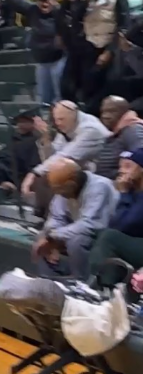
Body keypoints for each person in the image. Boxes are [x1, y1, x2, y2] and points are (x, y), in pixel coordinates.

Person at [33, 158, 119, 278]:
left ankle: (82, 283)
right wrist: (50, 237)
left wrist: (54, 236)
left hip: (102, 234)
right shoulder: (65, 189)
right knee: (41, 238)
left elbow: (90, 225)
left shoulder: (99, 187)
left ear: (71, 184)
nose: (58, 193)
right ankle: (50, 281)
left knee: (77, 241)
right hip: (77, 230)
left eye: (59, 189)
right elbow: (57, 217)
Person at [0, 0, 65, 105]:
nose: (44, 3)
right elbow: (16, 1)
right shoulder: (33, 11)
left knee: (60, 95)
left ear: (54, 2)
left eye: (47, 0)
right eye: (41, 0)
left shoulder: (61, 14)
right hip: (42, 61)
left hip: (59, 59)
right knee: (44, 98)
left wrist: (58, 10)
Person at [88, 148, 143, 287]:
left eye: (129, 166)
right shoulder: (133, 190)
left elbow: (125, 224)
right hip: (135, 241)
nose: (122, 171)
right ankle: (105, 287)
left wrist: (123, 193)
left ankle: (96, 285)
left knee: (109, 237)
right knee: (98, 235)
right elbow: (115, 223)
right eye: (121, 166)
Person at [96, 95, 143, 180]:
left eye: (112, 111)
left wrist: (123, 177)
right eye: (103, 112)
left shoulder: (132, 129)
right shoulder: (117, 131)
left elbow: (140, 158)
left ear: (124, 112)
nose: (105, 116)